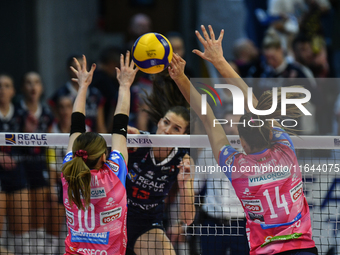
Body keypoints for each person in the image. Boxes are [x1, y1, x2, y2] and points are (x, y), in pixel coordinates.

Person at [169, 25, 318, 255]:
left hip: (265, 251)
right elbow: (253, 102)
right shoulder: (285, 149)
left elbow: (206, 116)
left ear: (242, 142)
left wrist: (180, 77)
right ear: (269, 132)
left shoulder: (237, 166)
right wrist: (220, 61)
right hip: (303, 249)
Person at [61, 53, 138, 254]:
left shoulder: (68, 172)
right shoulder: (114, 172)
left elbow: (76, 125)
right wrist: (125, 85)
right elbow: (120, 125)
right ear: (104, 157)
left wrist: (82, 86)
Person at [125, 74, 195, 255]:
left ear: (184, 137)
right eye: (166, 122)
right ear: (158, 122)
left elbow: (188, 219)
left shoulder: (183, 160)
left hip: (147, 225)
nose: (167, 130)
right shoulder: (137, 142)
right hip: (114, 217)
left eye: (176, 129)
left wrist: (184, 184)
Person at [17, 71, 54, 253]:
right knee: (22, 221)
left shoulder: (47, 113)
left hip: (40, 166)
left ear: (41, 87)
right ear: (23, 87)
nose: (33, 87)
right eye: (28, 82)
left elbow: (51, 146)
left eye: (36, 82)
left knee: (40, 221)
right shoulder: (17, 109)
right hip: (19, 167)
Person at [0, 74, 30, 254]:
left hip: (18, 174)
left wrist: (30, 134)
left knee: (23, 236)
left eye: (6, 85)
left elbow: (31, 149)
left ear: (13, 91)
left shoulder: (21, 114)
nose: (2, 89)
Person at [49, 54, 107, 133]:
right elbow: (58, 122)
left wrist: (102, 144)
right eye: (76, 67)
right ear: (69, 70)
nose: (80, 71)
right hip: (69, 138)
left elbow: (100, 125)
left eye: (83, 67)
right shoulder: (61, 93)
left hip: (91, 139)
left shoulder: (96, 94)